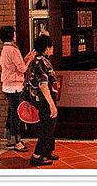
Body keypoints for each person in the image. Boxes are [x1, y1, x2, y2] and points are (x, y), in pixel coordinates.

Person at [25, 34, 60, 167]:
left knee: (50, 124)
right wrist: (52, 105)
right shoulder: (41, 62)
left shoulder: (41, 60)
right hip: (44, 99)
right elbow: (43, 85)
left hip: (44, 98)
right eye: (51, 46)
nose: (52, 49)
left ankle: (47, 151)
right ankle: (37, 155)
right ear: (47, 48)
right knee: (47, 126)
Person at [0, 26, 35, 152]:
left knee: (11, 112)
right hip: (15, 86)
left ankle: (10, 139)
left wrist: (26, 58)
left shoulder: (5, 49)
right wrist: (30, 60)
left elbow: (15, 66)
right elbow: (23, 69)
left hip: (7, 85)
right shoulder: (13, 50)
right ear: (11, 35)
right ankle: (17, 141)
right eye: (14, 33)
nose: (16, 34)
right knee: (16, 114)